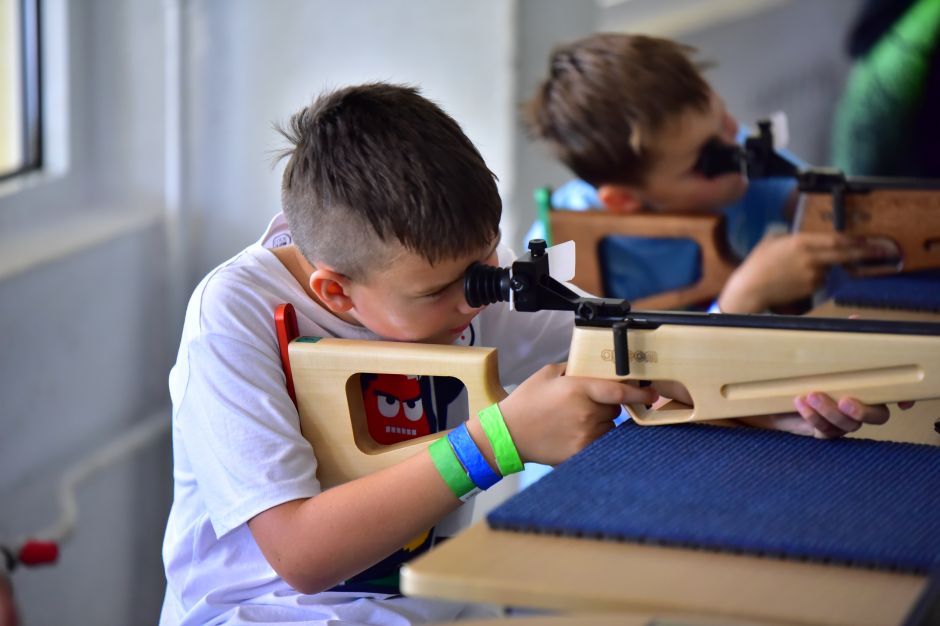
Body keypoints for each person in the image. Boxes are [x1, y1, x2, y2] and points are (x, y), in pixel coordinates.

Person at [159, 82, 892, 626]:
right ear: (335, 292)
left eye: (486, 263)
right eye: (443, 291)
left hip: (439, 605)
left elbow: (635, 364)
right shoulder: (235, 315)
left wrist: (774, 401)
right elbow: (300, 556)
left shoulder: (458, 282)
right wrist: (497, 443)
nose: (477, 301)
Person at [525, 33, 888, 313]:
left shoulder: (742, 163)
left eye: (726, 120)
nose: (736, 150)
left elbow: (816, 206)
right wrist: (744, 297)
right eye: (710, 159)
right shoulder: (561, 255)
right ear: (623, 200)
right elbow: (597, 375)